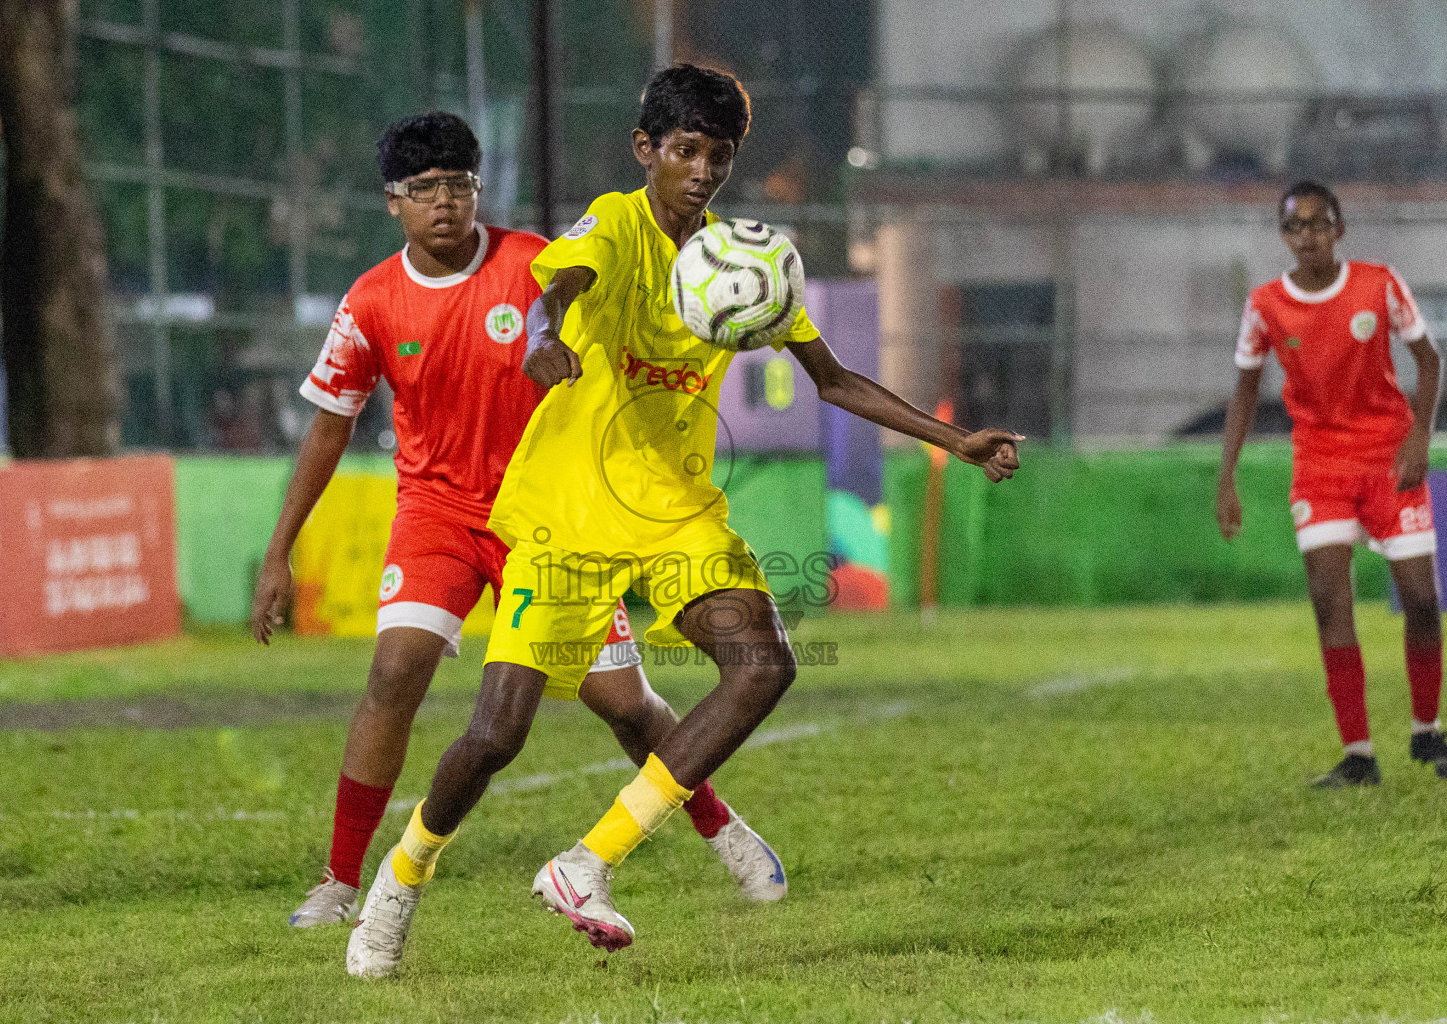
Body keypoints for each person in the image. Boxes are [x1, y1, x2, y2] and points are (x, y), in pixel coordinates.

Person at [346, 66, 1021, 977]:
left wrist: (955, 440)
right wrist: (544, 337)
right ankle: (400, 875)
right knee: (495, 737)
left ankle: (586, 863)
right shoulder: (614, 225)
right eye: (685, 150)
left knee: (763, 664)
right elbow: (563, 285)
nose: (703, 170)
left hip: (674, 512)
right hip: (567, 516)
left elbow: (831, 380)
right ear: (646, 151)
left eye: (720, 155)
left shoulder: (742, 262)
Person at [251, 111, 785, 932]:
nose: (444, 203)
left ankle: (723, 831)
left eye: (458, 185)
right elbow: (330, 424)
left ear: (477, 189)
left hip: (549, 517)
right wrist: (278, 552)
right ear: (392, 202)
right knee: (394, 673)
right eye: (423, 189)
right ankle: (338, 881)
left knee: (627, 704)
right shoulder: (369, 302)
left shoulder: (536, 262)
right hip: (438, 513)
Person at [1218, 179, 1447, 788]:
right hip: (1319, 465)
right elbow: (1245, 387)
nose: (1309, 236)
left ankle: (1427, 734)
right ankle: (1358, 754)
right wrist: (1227, 476)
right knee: (1330, 603)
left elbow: (1429, 359)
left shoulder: (1379, 283)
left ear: (1339, 229)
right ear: (1284, 237)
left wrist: (1419, 439)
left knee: (1424, 602)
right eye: (1296, 227)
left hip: (1387, 458)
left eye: (1320, 224)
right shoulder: (1265, 304)